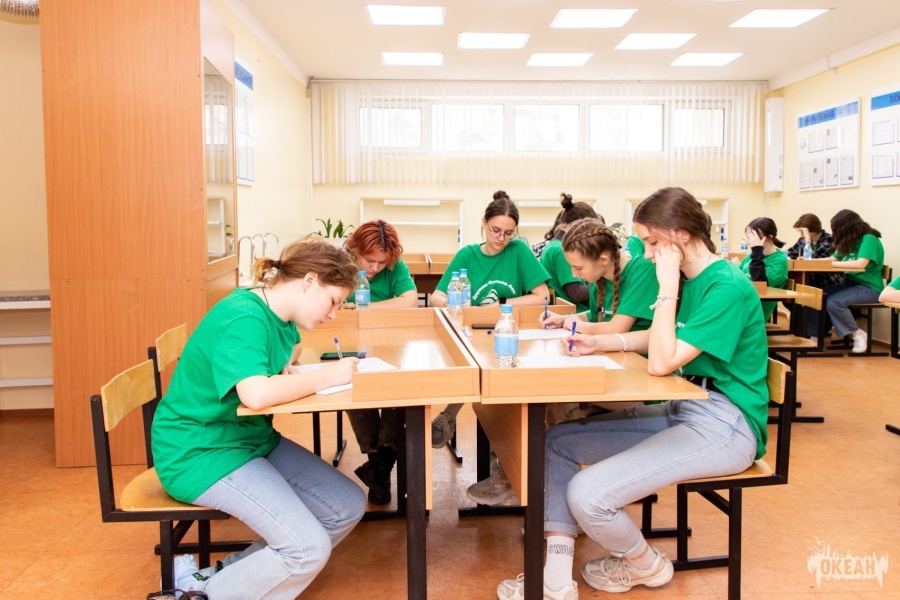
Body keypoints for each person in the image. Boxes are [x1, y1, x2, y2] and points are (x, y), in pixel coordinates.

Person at [497, 187, 767, 599]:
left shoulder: (724, 286)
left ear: (681, 235)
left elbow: (661, 361)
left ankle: (646, 564)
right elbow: (661, 339)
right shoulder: (693, 279)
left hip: (726, 425)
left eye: (654, 243)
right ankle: (555, 578)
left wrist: (667, 286)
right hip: (686, 404)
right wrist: (601, 343)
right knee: (556, 443)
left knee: (588, 496)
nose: (648, 254)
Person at [151, 238, 367, 599]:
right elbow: (256, 394)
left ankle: (216, 580)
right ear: (309, 281)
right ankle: (199, 596)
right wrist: (328, 376)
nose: (333, 314)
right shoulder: (244, 316)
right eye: (333, 301)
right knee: (307, 549)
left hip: (248, 440)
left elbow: (288, 348)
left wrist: (285, 366)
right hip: (199, 451)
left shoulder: (278, 315)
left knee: (346, 506)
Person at [430, 190, 551, 450]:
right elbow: (436, 297)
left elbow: (543, 296)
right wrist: (460, 306)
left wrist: (502, 304)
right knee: (474, 360)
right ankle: (451, 414)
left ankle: (458, 419)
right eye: (495, 230)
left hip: (508, 332)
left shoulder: (519, 250)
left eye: (508, 233)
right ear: (484, 224)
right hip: (473, 331)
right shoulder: (467, 255)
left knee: (498, 366)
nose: (501, 239)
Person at [340, 220, 417, 504]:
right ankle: (379, 464)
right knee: (355, 388)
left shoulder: (395, 265)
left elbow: (410, 300)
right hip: (350, 342)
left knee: (400, 387)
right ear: (355, 250)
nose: (374, 268)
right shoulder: (340, 264)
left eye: (381, 263)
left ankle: (378, 467)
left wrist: (364, 309)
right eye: (368, 260)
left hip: (390, 343)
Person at [808, 209, 885, 352]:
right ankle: (815, 338)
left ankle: (857, 333)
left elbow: (861, 264)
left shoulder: (869, 238)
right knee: (816, 295)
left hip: (869, 287)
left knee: (834, 302)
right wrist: (811, 262)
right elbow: (833, 259)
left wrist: (832, 265)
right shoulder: (850, 240)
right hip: (850, 284)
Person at [539, 193, 599, 311]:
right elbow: (577, 293)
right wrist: (605, 283)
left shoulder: (554, 246)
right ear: (580, 225)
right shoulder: (562, 250)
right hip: (574, 313)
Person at [737, 217, 788, 322]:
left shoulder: (779, 260)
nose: (750, 241)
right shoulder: (751, 256)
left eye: (754, 237)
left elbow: (760, 283)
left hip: (755, 312)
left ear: (769, 238)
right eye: (749, 236)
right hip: (741, 301)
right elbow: (737, 276)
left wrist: (757, 251)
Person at [784, 213, 844, 288]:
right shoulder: (802, 240)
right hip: (810, 280)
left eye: (803, 232)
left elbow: (813, 258)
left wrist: (808, 240)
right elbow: (791, 252)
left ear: (812, 230)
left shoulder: (829, 239)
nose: (801, 234)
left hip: (828, 281)